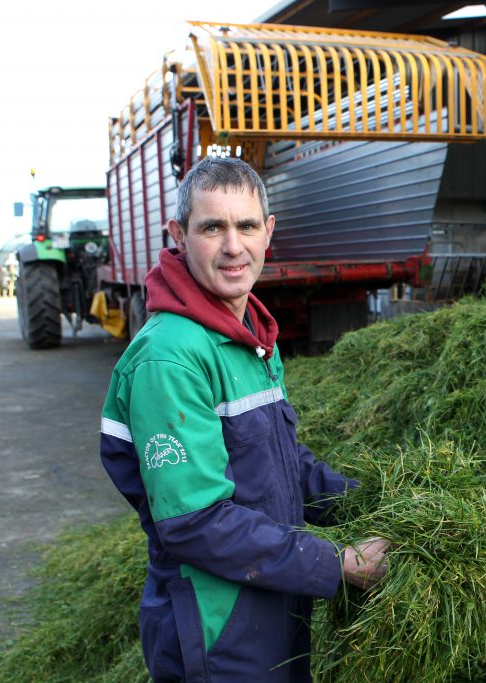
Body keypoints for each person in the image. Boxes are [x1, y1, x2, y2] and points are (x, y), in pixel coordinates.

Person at [100, 156, 388, 682]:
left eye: (247, 225)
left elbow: (282, 464)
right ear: (179, 235)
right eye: (212, 227)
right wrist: (336, 562)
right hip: (216, 623)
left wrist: (374, 499)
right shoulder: (170, 358)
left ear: (268, 232)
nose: (234, 246)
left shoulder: (251, 338)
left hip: (275, 595)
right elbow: (195, 523)